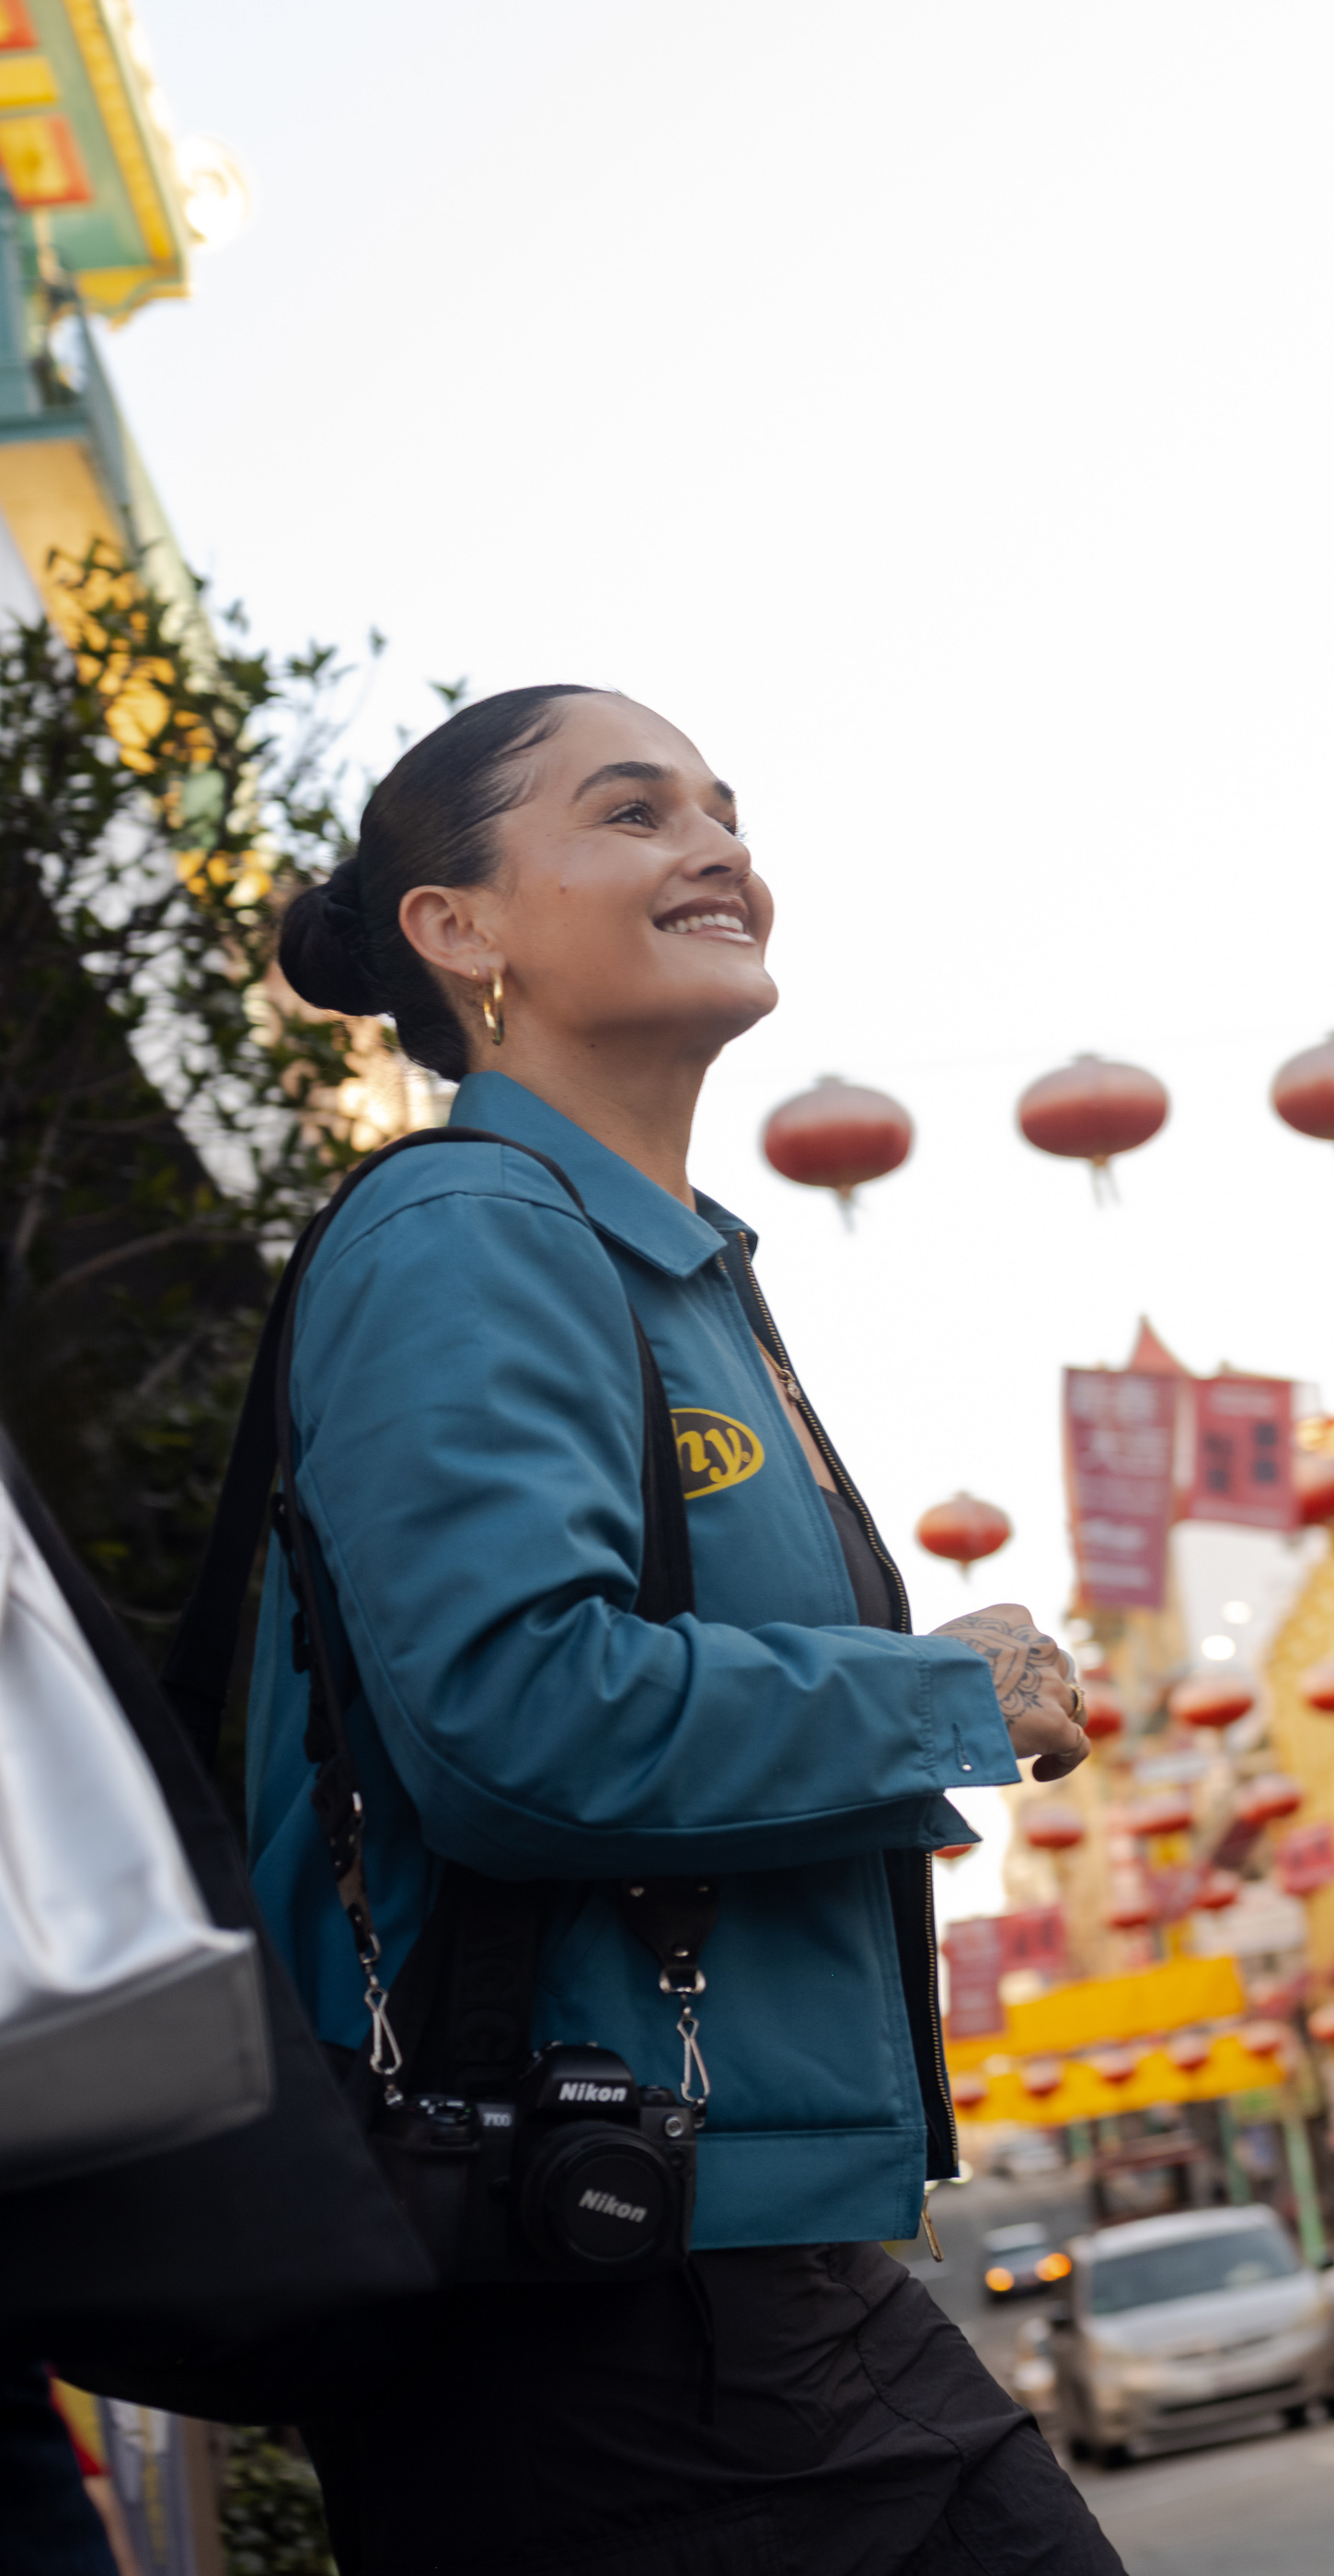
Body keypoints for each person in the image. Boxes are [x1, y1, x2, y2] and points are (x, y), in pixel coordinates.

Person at [259, 686, 1123, 2572]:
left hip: (707, 2252)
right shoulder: (472, 1229)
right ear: (458, 927)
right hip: (593, 2291)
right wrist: (938, 1692)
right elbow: (511, 1718)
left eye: (724, 809)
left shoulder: (669, 1268)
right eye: (634, 812)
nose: (719, 847)